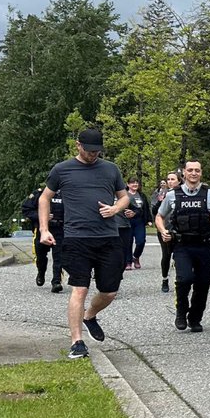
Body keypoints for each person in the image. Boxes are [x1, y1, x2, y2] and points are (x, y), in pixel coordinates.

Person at [38, 128, 129, 359]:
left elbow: (124, 196)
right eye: (89, 151)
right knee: (79, 288)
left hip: (108, 237)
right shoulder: (62, 169)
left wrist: (116, 209)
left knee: (109, 292)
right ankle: (77, 342)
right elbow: (44, 198)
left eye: (97, 151)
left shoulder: (111, 169)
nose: (93, 155)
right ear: (78, 145)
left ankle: (89, 316)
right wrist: (44, 229)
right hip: (77, 238)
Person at [155, 160, 210, 333]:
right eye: (190, 170)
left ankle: (195, 317)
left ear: (201, 173)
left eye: (197, 170)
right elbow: (159, 216)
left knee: (202, 283)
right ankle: (181, 312)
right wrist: (163, 231)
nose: (194, 173)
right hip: (182, 246)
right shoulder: (172, 195)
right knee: (184, 279)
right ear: (184, 172)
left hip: (204, 245)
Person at [22, 183, 65, 292]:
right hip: (42, 229)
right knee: (40, 256)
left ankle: (56, 282)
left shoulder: (67, 193)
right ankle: (41, 273)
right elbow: (26, 210)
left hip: (60, 229)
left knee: (59, 257)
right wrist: (42, 215)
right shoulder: (40, 193)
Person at [154, 171, 180, 293]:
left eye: (173, 179)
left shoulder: (183, 194)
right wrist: (160, 200)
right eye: (168, 179)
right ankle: (165, 279)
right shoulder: (161, 193)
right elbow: (154, 211)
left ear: (179, 181)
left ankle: (180, 279)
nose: (170, 182)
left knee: (179, 255)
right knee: (166, 255)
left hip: (179, 230)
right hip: (165, 228)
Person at [123, 177, 150, 270]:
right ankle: (128, 262)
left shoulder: (142, 195)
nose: (135, 184)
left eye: (136, 183)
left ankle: (136, 257)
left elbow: (146, 208)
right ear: (128, 184)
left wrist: (149, 220)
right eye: (132, 183)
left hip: (139, 221)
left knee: (141, 241)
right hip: (127, 221)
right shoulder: (124, 195)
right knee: (128, 242)